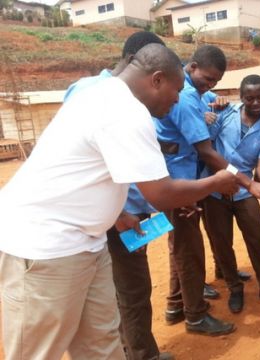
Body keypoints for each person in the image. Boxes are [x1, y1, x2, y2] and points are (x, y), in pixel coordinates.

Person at [0, 43, 238, 360]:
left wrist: (117, 214)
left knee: (101, 343)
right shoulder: (127, 112)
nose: (178, 98)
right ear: (156, 79)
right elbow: (161, 192)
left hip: (87, 243)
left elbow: (91, 172)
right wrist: (217, 182)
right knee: (37, 351)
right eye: (176, 89)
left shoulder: (99, 94)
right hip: (45, 249)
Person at [64, 31, 175, 360]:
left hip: (122, 215)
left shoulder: (97, 93)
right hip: (112, 220)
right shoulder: (101, 95)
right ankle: (143, 355)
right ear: (145, 68)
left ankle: (137, 351)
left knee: (119, 293)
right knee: (131, 291)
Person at [154, 45, 260, 332]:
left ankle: (176, 304)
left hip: (202, 184)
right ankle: (199, 309)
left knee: (249, 236)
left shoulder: (199, 96)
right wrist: (244, 180)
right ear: (191, 67)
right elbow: (207, 150)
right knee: (194, 248)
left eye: (216, 82)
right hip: (195, 185)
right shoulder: (189, 101)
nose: (211, 86)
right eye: (207, 79)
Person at [202, 75, 260, 314]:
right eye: (249, 98)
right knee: (221, 241)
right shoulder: (224, 113)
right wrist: (208, 117)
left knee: (257, 237)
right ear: (241, 97)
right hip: (216, 188)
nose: (255, 103)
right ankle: (234, 287)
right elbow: (208, 150)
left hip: (245, 192)